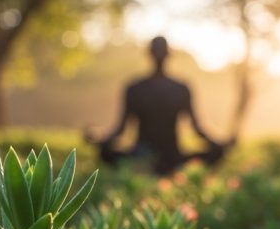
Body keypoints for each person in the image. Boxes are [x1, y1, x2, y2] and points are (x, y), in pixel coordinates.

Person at [86, 36, 234, 175]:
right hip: (153, 156)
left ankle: (147, 169)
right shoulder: (140, 88)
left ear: (149, 54)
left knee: (218, 151)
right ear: (168, 55)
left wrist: (220, 143)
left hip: (168, 157)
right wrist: (99, 137)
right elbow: (119, 130)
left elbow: (198, 129)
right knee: (105, 151)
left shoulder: (146, 88)